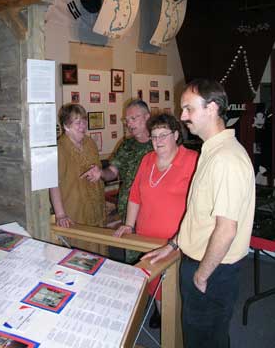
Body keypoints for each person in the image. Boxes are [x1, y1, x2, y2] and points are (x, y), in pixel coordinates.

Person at [143, 79, 255, 347]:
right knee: (204, 338)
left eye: (188, 109)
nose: (182, 117)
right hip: (201, 263)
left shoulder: (226, 159)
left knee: (204, 341)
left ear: (212, 108)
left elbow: (226, 229)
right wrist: (172, 245)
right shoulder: (211, 151)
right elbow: (198, 215)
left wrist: (202, 275)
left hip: (212, 270)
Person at [114, 113, 198, 328]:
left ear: (176, 135)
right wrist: (129, 224)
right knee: (157, 289)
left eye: (163, 135)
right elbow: (135, 195)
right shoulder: (147, 159)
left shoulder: (192, 160)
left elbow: (200, 204)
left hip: (176, 242)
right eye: (153, 136)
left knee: (177, 289)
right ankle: (166, 321)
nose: (158, 141)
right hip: (146, 238)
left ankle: (176, 329)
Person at [81, 99, 153, 223]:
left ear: (147, 117)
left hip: (152, 209)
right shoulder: (126, 145)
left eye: (133, 118)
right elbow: (112, 171)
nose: (129, 124)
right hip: (128, 209)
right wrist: (101, 173)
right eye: (127, 120)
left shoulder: (159, 144)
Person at [49, 103, 107, 255]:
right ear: (66, 126)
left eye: (84, 120)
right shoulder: (60, 148)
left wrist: (98, 172)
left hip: (95, 207)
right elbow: (54, 183)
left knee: (100, 250)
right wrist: (60, 214)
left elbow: (98, 169)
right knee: (81, 255)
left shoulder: (90, 143)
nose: (83, 125)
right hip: (75, 211)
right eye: (78, 122)